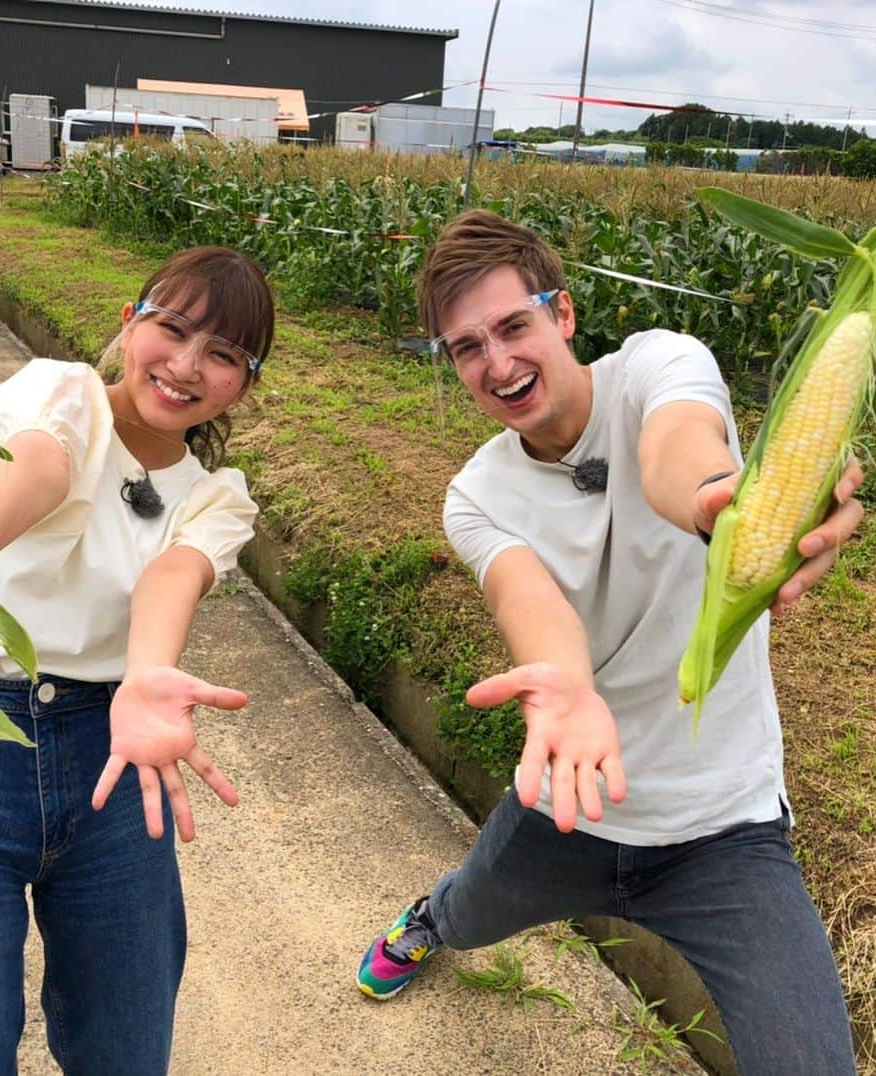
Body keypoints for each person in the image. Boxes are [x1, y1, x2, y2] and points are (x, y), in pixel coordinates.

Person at [355, 210, 863, 1075]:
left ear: (563, 314)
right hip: (573, 807)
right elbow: (531, 603)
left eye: (514, 325)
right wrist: (565, 683)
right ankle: (429, 924)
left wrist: (716, 505)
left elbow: (680, 455)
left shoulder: (660, 368)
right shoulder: (474, 497)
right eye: (467, 347)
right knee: (470, 909)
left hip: (724, 829)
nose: (499, 363)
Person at [0, 245, 274, 1075]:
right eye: (171, 329)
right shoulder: (62, 391)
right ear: (129, 324)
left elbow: (172, 579)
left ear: (244, 385)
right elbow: (42, 461)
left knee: (126, 1053)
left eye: (222, 355)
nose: (185, 367)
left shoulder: (218, 499)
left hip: (113, 769)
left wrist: (146, 675)